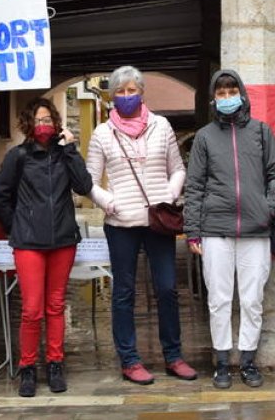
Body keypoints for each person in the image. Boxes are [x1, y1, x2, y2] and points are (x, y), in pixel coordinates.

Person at [85, 66, 198, 385]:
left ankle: (174, 356)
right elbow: (89, 181)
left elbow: (178, 168)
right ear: (111, 96)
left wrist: (172, 190)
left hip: (158, 219)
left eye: (131, 90)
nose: (125, 96)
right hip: (121, 223)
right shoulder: (102, 134)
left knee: (166, 288)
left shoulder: (161, 126)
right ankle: (130, 360)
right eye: (119, 92)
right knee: (123, 292)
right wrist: (109, 203)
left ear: (141, 92)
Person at [184, 69, 275, 390]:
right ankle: (221, 363)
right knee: (218, 299)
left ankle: (247, 360)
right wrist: (193, 231)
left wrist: (267, 209)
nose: (227, 97)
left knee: (253, 299)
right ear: (214, 99)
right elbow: (195, 187)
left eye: (232, 91)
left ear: (241, 94)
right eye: (221, 93)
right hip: (216, 230)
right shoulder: (204, 137)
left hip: (256, 230)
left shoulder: (260, 132)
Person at [0, 97, 93, 398]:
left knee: (56, 306)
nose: (44, 125)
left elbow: (84, 186)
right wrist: (16, 226)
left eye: (48, 120)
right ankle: (28, 368)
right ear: (28, 124)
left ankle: (56, 363)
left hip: (62, 240)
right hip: (29, 243)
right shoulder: (18, 156)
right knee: (32, 310)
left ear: (56, 123)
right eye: (38, 120)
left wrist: (71, 149)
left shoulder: (64, 155)